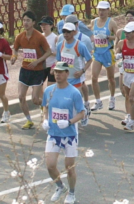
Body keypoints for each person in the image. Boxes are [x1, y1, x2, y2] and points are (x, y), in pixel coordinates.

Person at [42, 61, 87, 204]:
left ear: (67, 73)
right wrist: (45, 120)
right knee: (50, 165)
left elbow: (82, 113)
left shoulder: (74, 92)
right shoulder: (49, 90)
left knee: (69, 167)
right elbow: (45, 107)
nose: (58, 75)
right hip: (54, 134)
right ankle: (60, 187)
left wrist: (69, 122)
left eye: (61, 72)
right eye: (56, 72)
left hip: (70, 135)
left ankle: (72, 193)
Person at [13, 10, 53, 129]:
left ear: (33, 22)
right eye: (24, 20)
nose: (25, 23)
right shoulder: (20, 36)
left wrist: (37, 61)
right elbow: (15, 49)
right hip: (25, 70)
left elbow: (49, 52)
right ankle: (29, 120)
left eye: (28, 20)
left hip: (38, 71)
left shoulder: (39, 37)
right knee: (21, 96)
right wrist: (14, 57)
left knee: (35, 99)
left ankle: (49, 107)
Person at [89, 1, 118, 112]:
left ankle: (112, 98)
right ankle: (98, 101)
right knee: (93, 77)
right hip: (97, 53)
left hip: (108, 53)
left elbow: (118, 36)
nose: (101, 12)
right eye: (99, 10)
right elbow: (91, 35)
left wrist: (107, 37)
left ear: (108, 10)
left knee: (110, 78)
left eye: (103, 10)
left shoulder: (111, 23)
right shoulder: (94, 22)